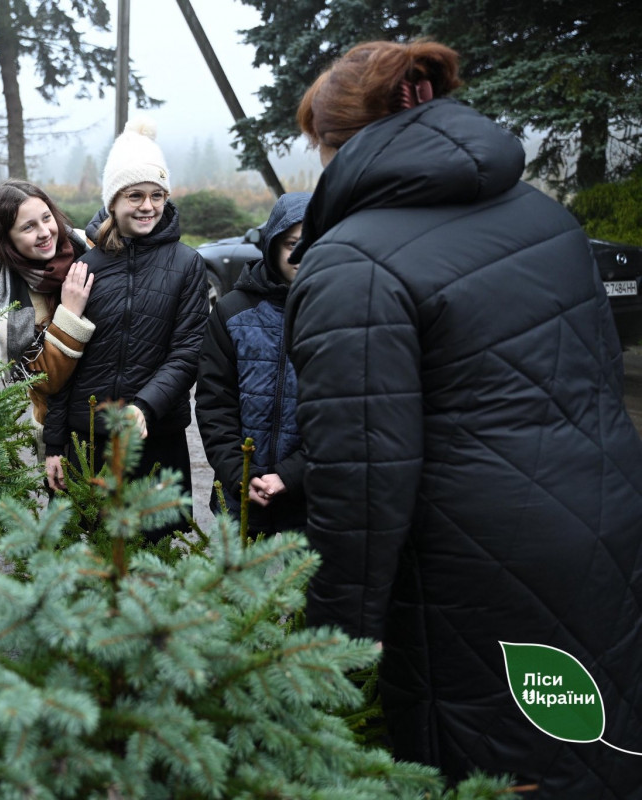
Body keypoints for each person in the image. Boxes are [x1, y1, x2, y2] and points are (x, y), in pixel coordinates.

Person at [285, 39, 642, 795]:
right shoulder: (546, 218)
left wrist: (329, 651)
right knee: (589, 743)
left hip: (472, 571)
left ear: (340, 142)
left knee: (489, 767)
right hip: (602, 524)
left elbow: (360, 484)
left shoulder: (353, 261)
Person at [43, 117, 208, 542]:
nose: (147, 206)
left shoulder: (187, 265)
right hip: (88, 441)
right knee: (85, 560)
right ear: (113, 202)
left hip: (154, 437)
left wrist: (145, 406)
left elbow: (188, 351)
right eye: (134, 195)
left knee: (153, 564)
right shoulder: (85, 268)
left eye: (157, 195)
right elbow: (64, 368)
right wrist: (55, 447)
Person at [195, 192, 311, 537]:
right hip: (239, 498)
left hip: (310, 502)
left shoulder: (340, 314)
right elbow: (215, 403)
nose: (301, 255)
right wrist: (239, 475)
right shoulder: (232, 311)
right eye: (293, 244)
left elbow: (344, 416)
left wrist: (291, 475)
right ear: (274, 244)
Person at [0, 180, 96, 460]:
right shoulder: (8, 307)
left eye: (46, 218)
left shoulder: (90, 248)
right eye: (28, 227)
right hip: (61, 436)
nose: (45, 232)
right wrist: (69, 315)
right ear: (6, 239)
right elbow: (44, 382)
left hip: (115, 420)